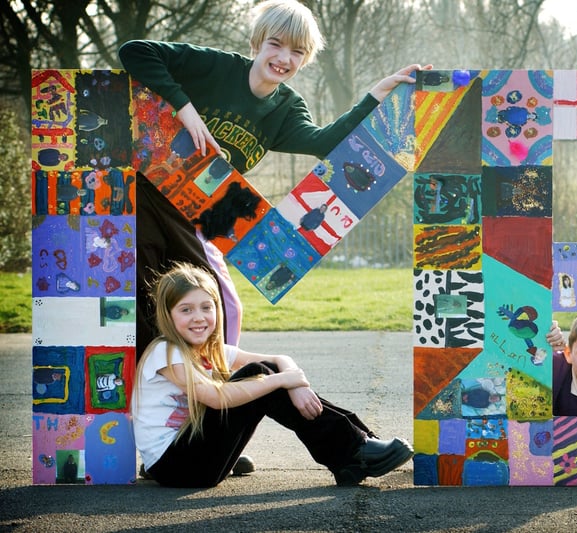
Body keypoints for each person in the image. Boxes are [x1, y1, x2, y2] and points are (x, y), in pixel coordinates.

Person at [119, 0, 431, 360]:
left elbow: (325, 143)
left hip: (195, 217)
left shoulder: (286, 109)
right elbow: (135, 52)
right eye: (276, 44)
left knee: (214, 305)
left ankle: (202, 388)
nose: (284, 57)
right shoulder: (219, 67)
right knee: (142, 298)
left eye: (297, 52)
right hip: (145, 194)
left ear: (305, 59)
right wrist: (185, 110)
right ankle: (147, 391)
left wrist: (375, 96)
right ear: (257, 43)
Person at [132, 262, 414, 488]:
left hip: (194, 460)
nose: (199, 317)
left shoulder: (211, 350)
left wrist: (295, 382)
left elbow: (280, 360)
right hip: (177, 469)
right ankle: (354, 452)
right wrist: (281, 380)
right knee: (259, 375)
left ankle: (357, 447)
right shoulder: (165, 352)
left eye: (207, 307)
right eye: (186, 309)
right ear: (168, 316)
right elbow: (216, 399)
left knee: (265, 373)